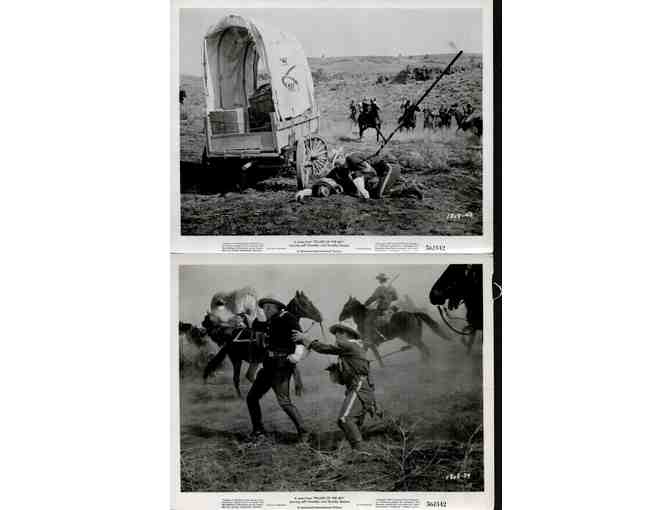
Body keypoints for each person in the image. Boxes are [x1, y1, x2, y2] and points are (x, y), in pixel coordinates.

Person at [292, 322, 378, 455]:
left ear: (348, 334)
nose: (336, 334)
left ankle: (360, 452)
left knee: (345, 419)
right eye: (336, 331)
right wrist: (338, 369)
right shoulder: (353, 347)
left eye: (340, 332)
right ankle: (356, 447)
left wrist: (305, 339)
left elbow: (323, 348)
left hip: (359, 387)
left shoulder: (348, 344)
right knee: (353, 422)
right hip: (358, 387)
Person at [246, 296, 309, 442]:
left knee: (284, 402)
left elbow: (299, 338)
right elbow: (257, 335)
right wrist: (257, 320)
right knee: (251, 398)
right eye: (264, 307)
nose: (265, 310)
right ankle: (258, 430)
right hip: (268, 366)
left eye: (268, 307)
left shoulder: (287, 317)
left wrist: (297, 355)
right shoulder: (266, 321)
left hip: (281, 366)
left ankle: (304, 432)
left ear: (276, 307)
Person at [295, 150, 401, 202]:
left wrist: (361, 189)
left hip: (389, 168)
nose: (337, 164)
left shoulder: (352, 159)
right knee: (376, 190)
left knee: (378, 194)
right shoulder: (337, 171)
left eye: (338, 160)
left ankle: (409, 187)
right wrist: (304, 192)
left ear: (342, 157)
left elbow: (370, 171)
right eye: (334, 163)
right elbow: (325, 182)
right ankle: (404, 185)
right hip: (377, 176)